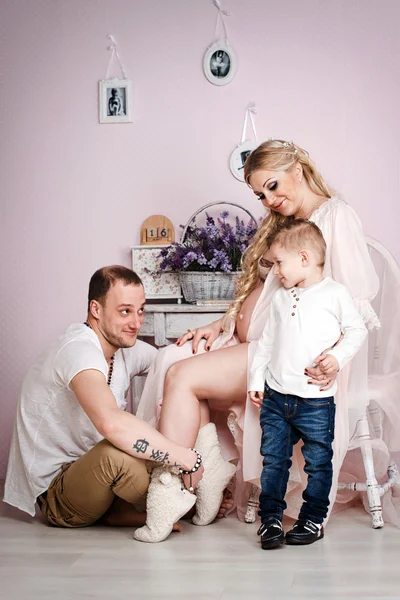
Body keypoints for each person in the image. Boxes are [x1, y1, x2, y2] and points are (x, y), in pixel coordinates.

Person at [135, 138, 400, 540]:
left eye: (273, 186)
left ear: (298, 170)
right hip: (253, 343)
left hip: (283, 354)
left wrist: (331, 357)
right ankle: (206, 481)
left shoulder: (334, 218)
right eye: (260, 194)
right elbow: (258, 294)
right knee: (171, 356)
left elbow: (351, 304)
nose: (269, 199)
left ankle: (174, 485)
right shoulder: (282, 224)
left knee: (182, 376)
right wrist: (220, 325)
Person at [3, 266, 205, 540]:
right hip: (58, 494)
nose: (136, 322)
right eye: (125, 311)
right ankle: (183, 497)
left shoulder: (122, 350)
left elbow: (170, 362)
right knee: (121, 454)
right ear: (96, 310)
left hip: (94, 474)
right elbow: (110, 422)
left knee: (156, 428)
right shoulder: (78, 351)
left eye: (141, 310)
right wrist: (185, 458)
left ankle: (139, 507)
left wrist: (209, 333)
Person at [248, 220, 367, 549]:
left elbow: (356, 330)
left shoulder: (335, 294)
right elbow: (266, 343)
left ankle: (313, 518)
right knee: (273, 461)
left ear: (303, 258)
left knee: (318, 462)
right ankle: (270, 519)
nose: (275, 272)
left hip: (315, 400)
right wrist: (257, 379)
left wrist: (337, 358)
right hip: (275, 397)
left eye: (279, 263)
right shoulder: (281, 299)